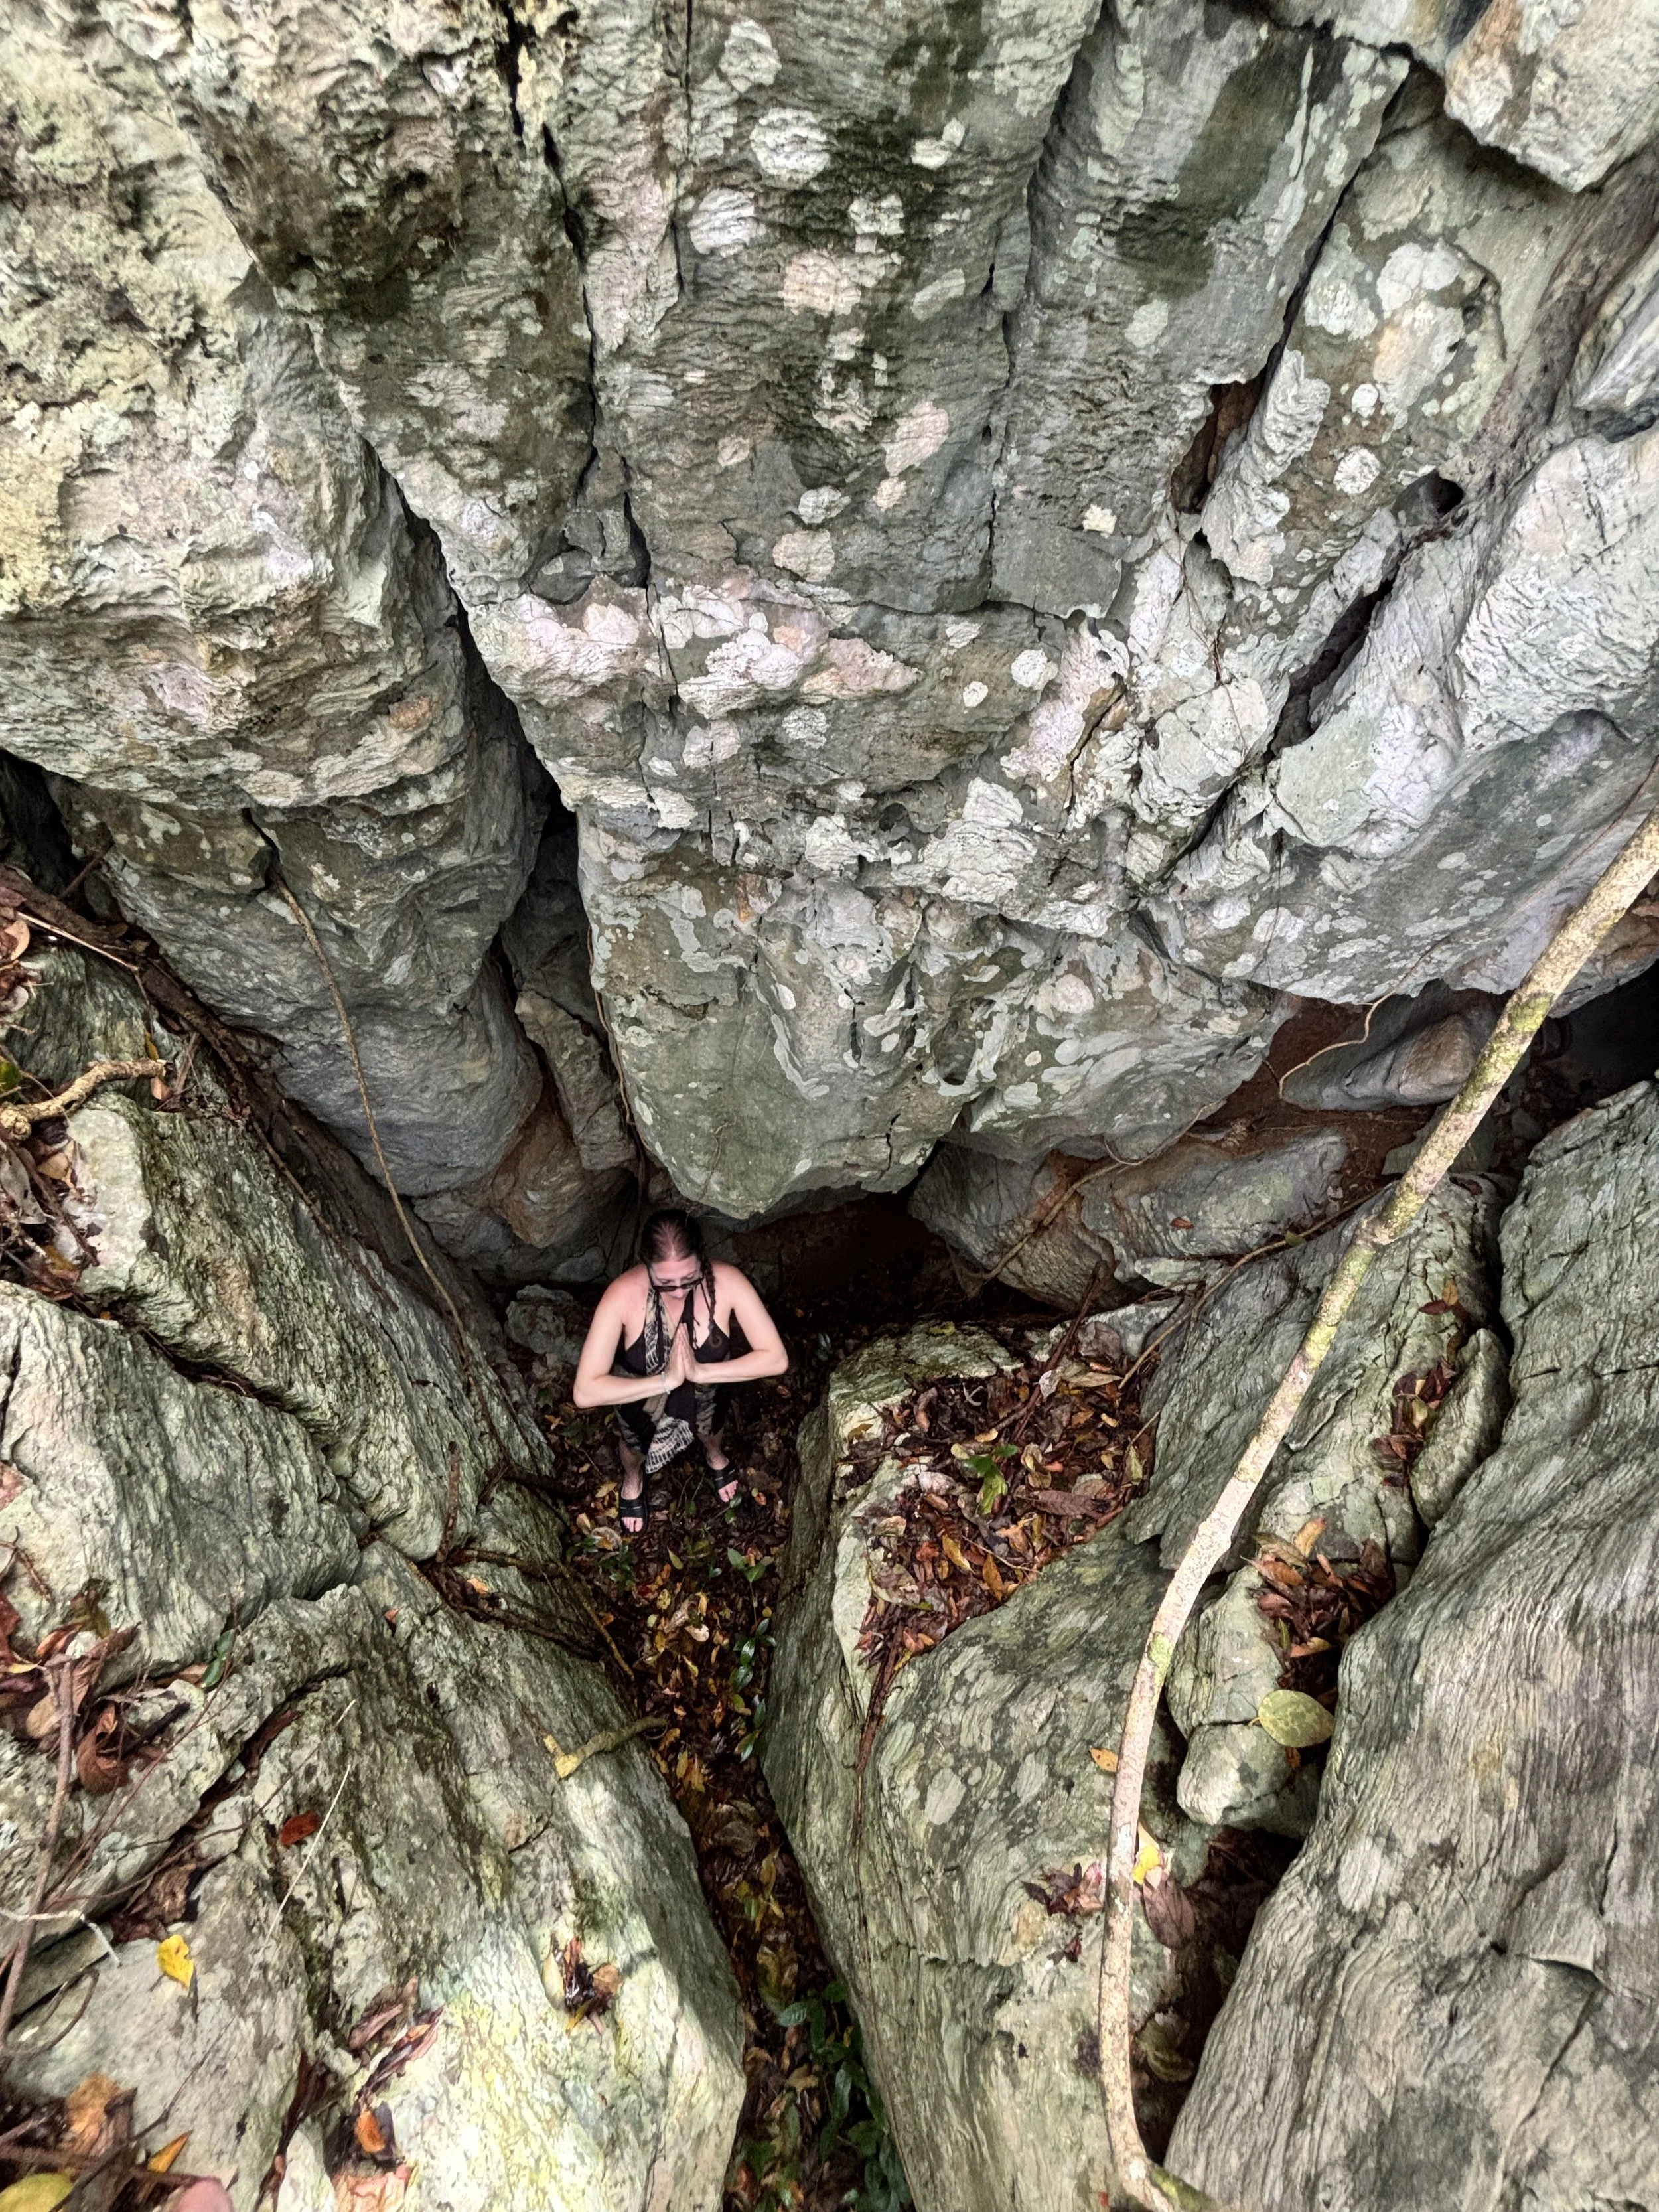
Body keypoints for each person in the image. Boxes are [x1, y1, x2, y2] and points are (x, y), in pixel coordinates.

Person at [571, 1207, 790, 1533]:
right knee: (634, 1447)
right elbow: (585, 1392)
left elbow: (776, 1358)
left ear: (702, 1258)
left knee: (712, 1429)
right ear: (646, 1265)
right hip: (643, 1398)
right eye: (664, 1283)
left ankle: (714, 1454)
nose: (678, 1292)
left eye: (689, 1279)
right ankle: (634, 1476)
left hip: (709, 1391)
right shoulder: (621, 1295)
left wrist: (701, 1373)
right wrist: (665, 1381)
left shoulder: (727, 1282)